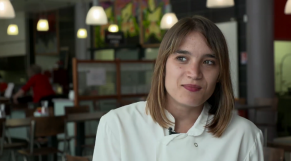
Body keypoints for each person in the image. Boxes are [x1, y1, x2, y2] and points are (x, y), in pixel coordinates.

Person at [92, 16, 264, 161]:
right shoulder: (117, 125)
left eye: (208, 62)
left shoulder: (244, 135)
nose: (194, 73)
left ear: (220, 74)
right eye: (182, 58)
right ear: (163, 65)